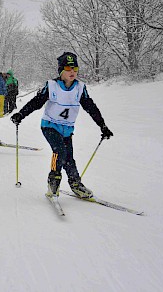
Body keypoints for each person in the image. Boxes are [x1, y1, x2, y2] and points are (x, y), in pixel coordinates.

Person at [10, 52, 113, 199]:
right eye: (68, 68)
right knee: (59, 151)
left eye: (75, 69)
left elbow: (91, 107)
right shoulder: (52, 86)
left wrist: (102, 126)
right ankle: (53, 181)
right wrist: (20, 114)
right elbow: (37, 102)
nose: (72, 72)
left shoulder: (80, 88)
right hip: (50, 125)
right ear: (61, 70)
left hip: (67, 129)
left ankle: (75, 184)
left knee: (69, 157)